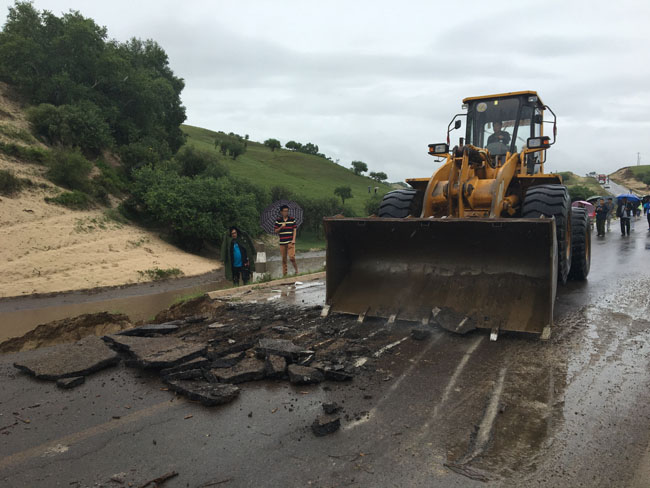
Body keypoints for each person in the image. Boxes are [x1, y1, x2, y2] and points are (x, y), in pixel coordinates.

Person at [274, 205, 298, 276]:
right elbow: (276, 231)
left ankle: (296, 270)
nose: (286, 212)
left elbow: (294, 230)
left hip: (290, 241)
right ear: (281, 212)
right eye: (284, 211)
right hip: (282, 242)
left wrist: (293, 239)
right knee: (284, 259)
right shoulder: (278, 220)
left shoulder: (292, 219)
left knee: (292, 257)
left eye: (287, 211)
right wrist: (281, 227)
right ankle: (285, 274)